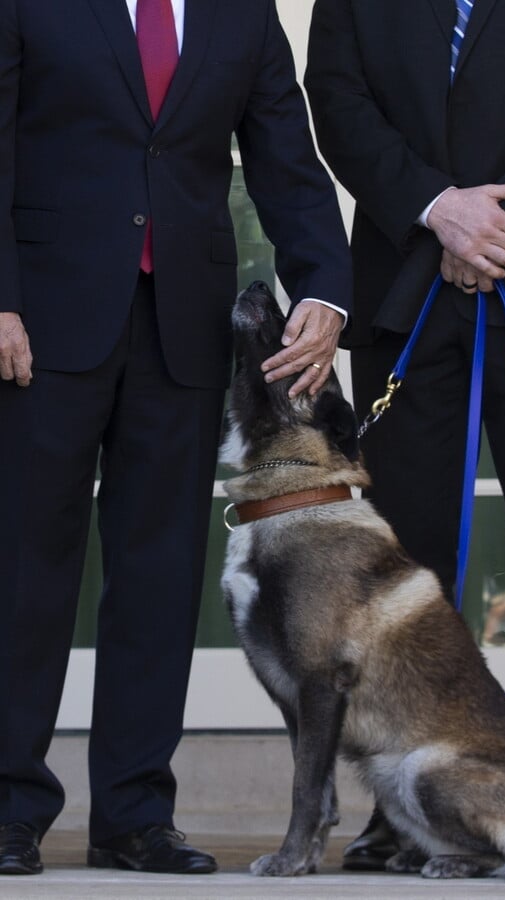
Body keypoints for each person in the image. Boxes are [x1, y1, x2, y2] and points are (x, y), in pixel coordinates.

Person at [0, 0, 351, 877]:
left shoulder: (242, 14)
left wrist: (324, 289)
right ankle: (10, 808)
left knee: (158, 577)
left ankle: (133, 815)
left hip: (182, 330)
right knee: (24, 570)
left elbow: (288, 162)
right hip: (43, 324)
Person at [305, 0, 505, 875]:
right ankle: (408, 815)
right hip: (410, 290)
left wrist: (500, 224)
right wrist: (438, 209)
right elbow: (337, 97)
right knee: (405, 570)